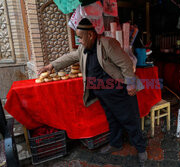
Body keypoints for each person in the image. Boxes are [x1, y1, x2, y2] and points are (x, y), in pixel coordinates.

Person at [38, 18, 147, 166]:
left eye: (81, 37)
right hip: (101, 92)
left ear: (90, 35)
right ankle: (116, 143)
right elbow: (71, 57)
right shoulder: (84, 48)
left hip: (118, 90)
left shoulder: (107, 44)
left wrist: (130, 84)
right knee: (112, 118)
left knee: (130, 119)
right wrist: (51, 66)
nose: (79, 41)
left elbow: (126, 63)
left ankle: (140, 148)